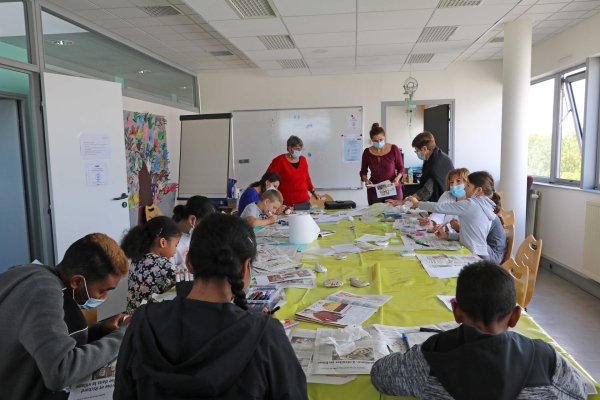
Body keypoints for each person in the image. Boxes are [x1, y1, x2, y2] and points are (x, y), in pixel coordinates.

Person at [114, 214, 308, 400]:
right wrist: (268, 334)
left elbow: (123, 393)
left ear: (189, 263)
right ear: (244, 267)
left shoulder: (142, 321)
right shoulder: (265, 335)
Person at [370, 261, 587, 399]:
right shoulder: (545, 358)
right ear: (515, 317)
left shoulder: (431, 357)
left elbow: (380, 375)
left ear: (456, 312)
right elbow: (580, 393)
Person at [0, 233, 130, 400]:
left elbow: (48, 339)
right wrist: (124, 335)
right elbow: (60, 371)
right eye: (102, 290)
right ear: (77, 281)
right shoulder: (42, 291)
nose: (103, 297)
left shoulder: (35, 275)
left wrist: (101, 330)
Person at [406, 171, 503, 260]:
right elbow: (470, 236)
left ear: (478, 190)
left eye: (468, 185)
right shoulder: (485, 204)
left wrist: (418, 203)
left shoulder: (472, 204)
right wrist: (449, 236)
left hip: (482, 255)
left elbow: (439, 207)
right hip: (483, 252)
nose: (465, 187)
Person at [121, 216, 181, 314]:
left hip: (131, 316)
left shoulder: (136, 260)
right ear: (162, 242)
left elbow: (153, 281)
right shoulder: (161, 262)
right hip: (147, 319)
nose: (175, 251)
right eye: (176, 245)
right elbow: (184, 281)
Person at [388, 131, 454, 205]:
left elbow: (426, 190)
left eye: (417, 150)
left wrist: (404, 201)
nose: (417, 153)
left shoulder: (436, 164)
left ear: (424, 149)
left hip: (442, 204)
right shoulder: (436, 157)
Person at [266, 135, 320, 208]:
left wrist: (313, 191)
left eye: (300, 149)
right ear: (289, 148)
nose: (299, 151)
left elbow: (307, 177)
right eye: (297, 149)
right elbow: (268, 178)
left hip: (304, 201)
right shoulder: (279, 161)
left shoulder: (303, 160)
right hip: (285, 203)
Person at [360, 123, 405, 205]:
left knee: (394, 215)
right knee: (375, 215)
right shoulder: (367, 152)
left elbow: (401, 167)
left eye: (381, 140)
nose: (379, 142)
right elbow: (363, 171)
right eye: (375, 141)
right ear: (371, 140)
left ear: (384, 136)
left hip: (393, 189)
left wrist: (397, 179)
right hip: (375, 190)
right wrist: (366, 180)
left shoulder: (394, 149)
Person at [171, 195, 218, 270]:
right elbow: (166, 271)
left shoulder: (196, 237)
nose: (206, 230)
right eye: (204, 225)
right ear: (192, 219)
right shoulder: (170, 240)